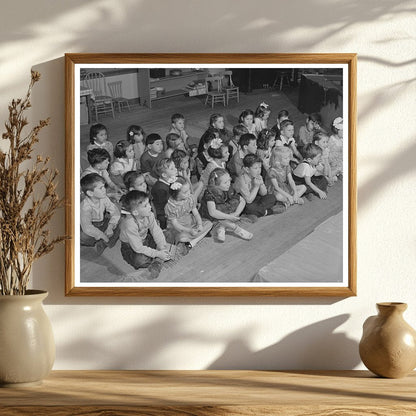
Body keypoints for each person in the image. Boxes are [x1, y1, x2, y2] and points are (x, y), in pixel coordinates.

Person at [119, 190, 171, 280]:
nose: (150, 207)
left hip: (145, 239)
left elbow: (156, 230)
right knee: (140, 261)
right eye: (145, 206)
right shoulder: (129, 224)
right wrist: (158, 253)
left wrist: (162, 247)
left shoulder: (149, 214)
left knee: (168, 234)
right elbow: (138, 248)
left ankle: (156, 261)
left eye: (149, 203)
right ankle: (158, 261)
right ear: (135, 212)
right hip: (130, 246)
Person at [199, 168, 252, 243]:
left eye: (229, 180)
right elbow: (212, 212)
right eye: (225, 182)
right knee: (219, 209)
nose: (229, 184)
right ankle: (236, 229)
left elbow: (242, 200)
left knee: (235, 201)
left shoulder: (228, 188)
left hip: (223, 212)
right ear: (216, 184)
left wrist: (236, 213)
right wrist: (230, 217)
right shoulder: (209, 192)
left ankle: (222, 227)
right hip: (209, 215)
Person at [165, 176, 213, 248]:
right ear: (176, 194)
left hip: (190, 222)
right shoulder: (170, 206)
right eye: (185, 192)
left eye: (189, 190)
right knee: (182, 237)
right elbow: (175, 225)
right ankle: (193, 239)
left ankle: (192, 242)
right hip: (179, 228)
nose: (189, 193)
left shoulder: (190, 198)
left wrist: (199, 224)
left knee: (209, 224)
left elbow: (196, 213)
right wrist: (189, 230)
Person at [80, 173, 120, 255]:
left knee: (121, 223)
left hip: (102, 222)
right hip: (90, 225)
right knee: (83, 236)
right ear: (90, 193)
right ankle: (100, 241)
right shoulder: (85, 207)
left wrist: (110, 226)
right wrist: (102, 235)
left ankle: (102, 244)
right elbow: (87, 227)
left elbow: (115, 212)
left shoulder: (104, 198)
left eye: (104, 186)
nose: (104, 190)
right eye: (101, 188)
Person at [150, 158, 178, 229]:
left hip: (169, 204)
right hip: (162, 211)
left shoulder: (169, 180)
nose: (175, 169)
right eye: (172, 169)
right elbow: (165, 205)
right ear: (164, 175)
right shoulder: (160, 188)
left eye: (174, 167)